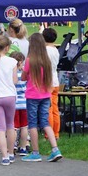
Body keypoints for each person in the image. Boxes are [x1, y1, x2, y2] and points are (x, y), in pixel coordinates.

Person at [21, 33, 63, 163]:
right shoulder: (46, 61)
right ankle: (55, 149)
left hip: (32, 95)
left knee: (32, 123)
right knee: (45, 122)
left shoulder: (29, 60)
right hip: (45, 95)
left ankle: (35, 152)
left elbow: (23, 77)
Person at [0, 35, 18, 166]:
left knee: (0, 128)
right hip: (10, 95)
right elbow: (15, 80)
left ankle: (4, 156)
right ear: (7, 48)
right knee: (10, 125)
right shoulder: (12, 62)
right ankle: (11, 153)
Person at [9, 51, 29, 156]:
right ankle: (23, 147)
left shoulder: (11, 74)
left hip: (14, 103)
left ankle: (13, 146)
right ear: (20, 62)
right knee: (24, 126)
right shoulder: (24, 74)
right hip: (24, 102)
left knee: (14, 127)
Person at [43, 27, 61, 140]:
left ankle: (48, 134)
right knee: (55, 108)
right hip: (55, 80)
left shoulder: (45, 50)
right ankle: (56, 132)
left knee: (48, 108)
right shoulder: (55, 50)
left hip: (47, 80)